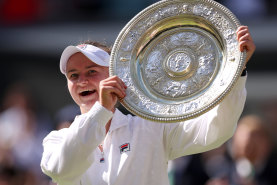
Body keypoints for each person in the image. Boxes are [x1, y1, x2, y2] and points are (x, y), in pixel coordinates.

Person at [40, 26, 255, 185]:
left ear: (115, 74)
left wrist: (235, 71)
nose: (82, 81)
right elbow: (63, 169)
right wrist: (101, 112)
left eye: (92, 72)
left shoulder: (151, 127)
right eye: (73, 75)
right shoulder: (56, 140)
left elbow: (216, 130)